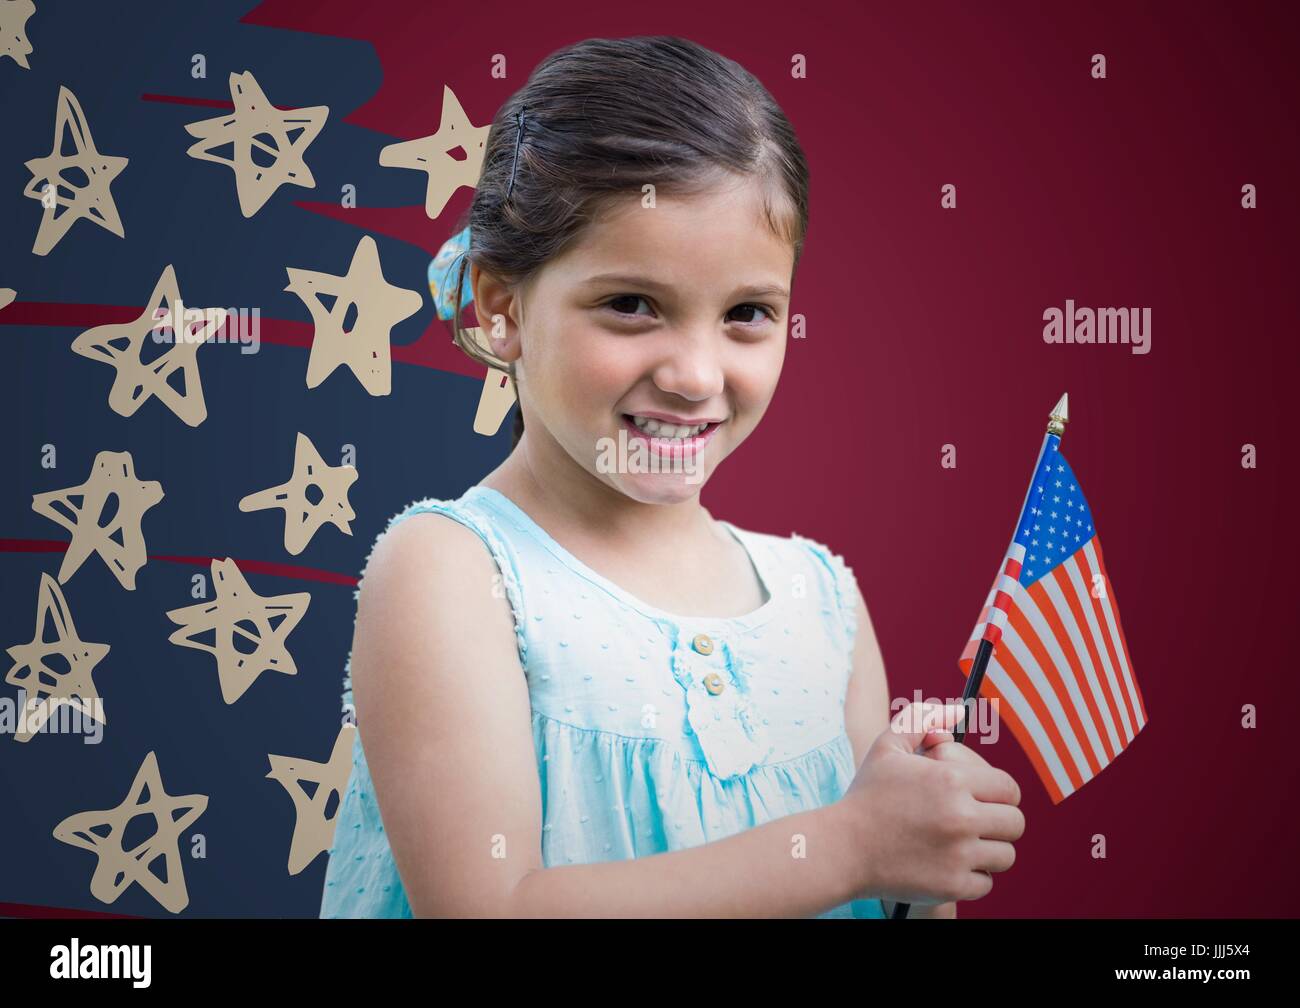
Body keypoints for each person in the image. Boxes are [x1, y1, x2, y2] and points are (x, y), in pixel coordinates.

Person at [320, 35, 1023, 918]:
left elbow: (863, 897)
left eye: (747, 314)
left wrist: (915, 866)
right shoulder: (453, 573)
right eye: (631, 304)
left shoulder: (822, 601)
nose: (695, 374)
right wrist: (850, 846)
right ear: (501, 308)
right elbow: (487, 907)